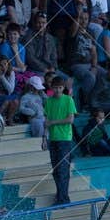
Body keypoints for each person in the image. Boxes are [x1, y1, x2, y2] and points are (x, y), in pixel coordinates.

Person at [43, 75, 77, 206]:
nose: (58, 90)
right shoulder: (49, 101)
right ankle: (61, 195)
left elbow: (70, 119)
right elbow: (46, 122)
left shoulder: (68, 100)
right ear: (51, 88)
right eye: (56, 87)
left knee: (63, 169)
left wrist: (53, 122)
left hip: (65, 139)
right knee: (56, 170)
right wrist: (44, 138)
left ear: (63, 88)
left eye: (60, 88)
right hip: (53, 139)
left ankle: (63, 199)